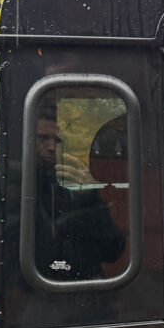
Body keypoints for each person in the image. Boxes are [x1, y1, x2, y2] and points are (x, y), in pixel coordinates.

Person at [33, 109, 125, 280]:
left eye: (56, 141)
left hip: (85, 285)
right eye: (43, 139)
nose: (52, 147)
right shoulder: (22, 191)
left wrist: (90, 194)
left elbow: (113, 249)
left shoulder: (67, 192)